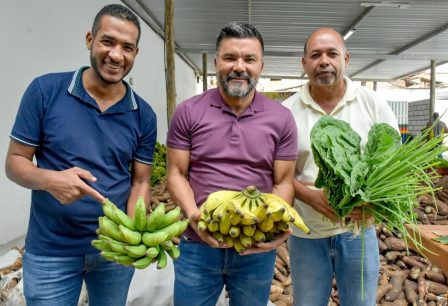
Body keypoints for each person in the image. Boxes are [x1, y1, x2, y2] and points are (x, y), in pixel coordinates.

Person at [5, 4, 157, 306]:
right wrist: (50, 180)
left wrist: (131, 234)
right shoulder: (45, 91)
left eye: (127, 47)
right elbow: (14, 163)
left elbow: (140, 182)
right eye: (108, 41)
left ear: (136, 54)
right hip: (51, 250)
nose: (116, 55)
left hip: (113, 252)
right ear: (90, 39)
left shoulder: (143, 115)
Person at [166, 22, 298, 306]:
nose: (240, 66)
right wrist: (193, 216)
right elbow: (176, 173)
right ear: (216, 62)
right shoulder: (188, 112)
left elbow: (284, 181)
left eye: (249, 59)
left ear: (261, 65)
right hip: (197, 245)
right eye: (230, 58)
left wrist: (272, 227)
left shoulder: (281, 118)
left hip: (255, 248)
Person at [282, 28, 399, 306]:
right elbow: (277, 173)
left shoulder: (372, 104)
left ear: (345, 59)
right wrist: (307, 194)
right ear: (304, 63)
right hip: (306, 234)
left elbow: (395, 163)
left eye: (332, 54)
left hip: (358, 232)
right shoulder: (286, 112)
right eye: (315, 55)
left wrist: (373, 202)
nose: (324, 61)